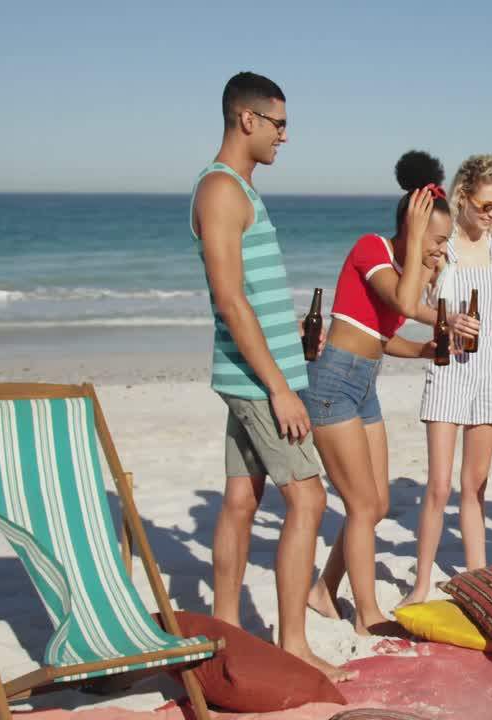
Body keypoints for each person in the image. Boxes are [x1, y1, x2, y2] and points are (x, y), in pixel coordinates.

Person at [190, 72, 347, 680]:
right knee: (308, 496)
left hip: (254, 372)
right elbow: (230, 300)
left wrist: (295, 343)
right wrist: (279, 387)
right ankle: (294, 647)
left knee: (238, 500)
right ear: (246, 119)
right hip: (259, 384)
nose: (286, 135)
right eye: (279, 123)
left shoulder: (238, 190)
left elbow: (252, 294)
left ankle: (225, 633)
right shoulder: (222, 191)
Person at [301, 151, 454, 627]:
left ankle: (324, 591)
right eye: (435, 240)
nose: (439, 250)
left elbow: (385, 341)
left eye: (445, 242)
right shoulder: (373, 249)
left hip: (364, 384)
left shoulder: (410, 269)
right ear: (410, 231)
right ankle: (367, 613)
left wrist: (427, 351)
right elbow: (405, 302)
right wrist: (421, 262)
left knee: (378, 504)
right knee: (363, 505)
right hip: (333, 381)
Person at [402, 155, 492, 606]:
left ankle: (477, 580)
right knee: (438, 486)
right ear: (463, 199)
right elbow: (410, 302)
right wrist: (446, 319)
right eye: (486, 206)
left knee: (476, 485)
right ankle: (419, 585)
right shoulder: (443, 244)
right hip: (449, 367)